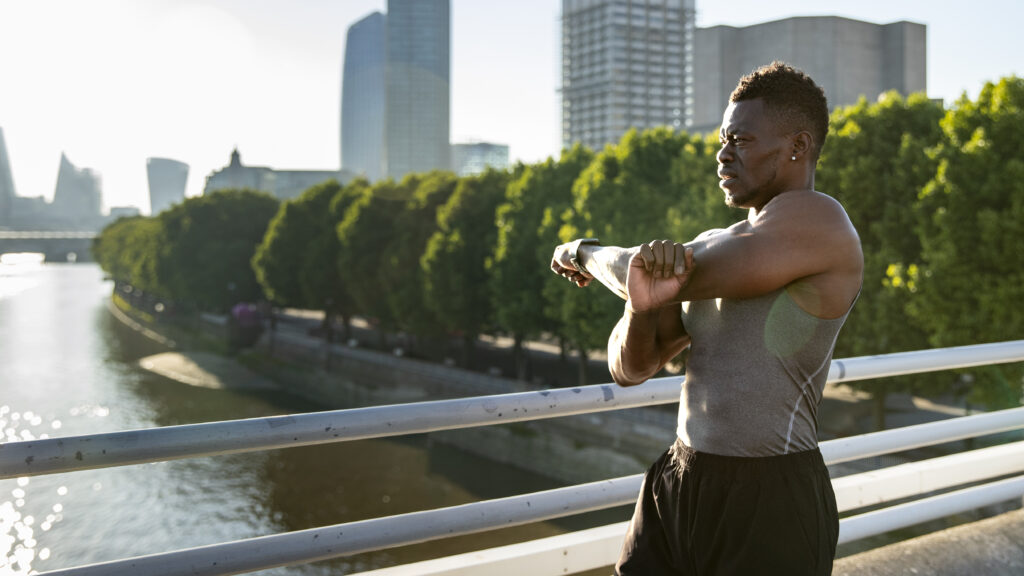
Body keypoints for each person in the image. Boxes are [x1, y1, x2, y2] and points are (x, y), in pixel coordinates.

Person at [549, 62, 863, 575]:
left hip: (769, 497)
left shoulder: (821, 220)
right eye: (722, 139)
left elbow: (642, 267)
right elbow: (630, 368)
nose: (722, 154)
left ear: (797, 147)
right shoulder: (716, 244)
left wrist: (582, 251)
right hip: (678, 476)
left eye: (740, 139)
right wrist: (640, 303)